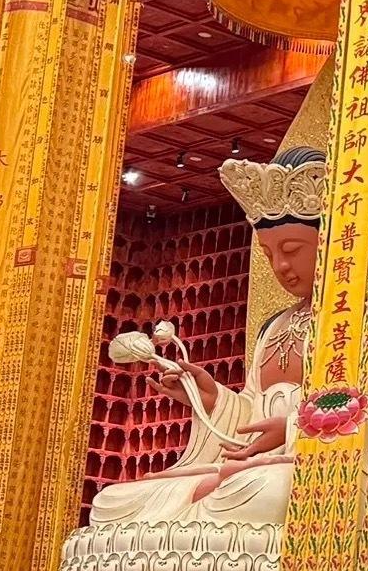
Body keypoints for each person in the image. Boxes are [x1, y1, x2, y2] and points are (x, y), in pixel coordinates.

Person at [85, 146, 322, 527]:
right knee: (114, 502)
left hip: (307, 465)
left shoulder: (361, 319)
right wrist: (211, 398)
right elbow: (251, 412)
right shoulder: (273, 327)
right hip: (252, 466)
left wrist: (294, 429)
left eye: (292, 250)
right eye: (268, 254)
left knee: (266, 490)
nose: (281, 266)